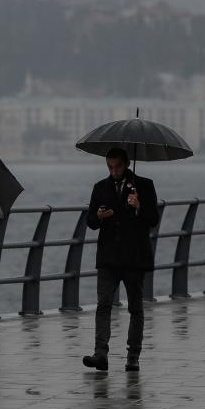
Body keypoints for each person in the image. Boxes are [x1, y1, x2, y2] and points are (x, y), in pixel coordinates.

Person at [82, 147, 159, 372]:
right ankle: (100, 354)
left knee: (135, 308)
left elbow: (153, 219)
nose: (113, 171)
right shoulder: (100, 187)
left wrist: (139, 207)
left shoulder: (144, 185)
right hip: (108, 258)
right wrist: (98, 216)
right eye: (109, 167)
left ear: (126, 164)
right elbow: (90, 221)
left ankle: (133, 355)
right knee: (103, 305)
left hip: (134, 257)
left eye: (117, 166)